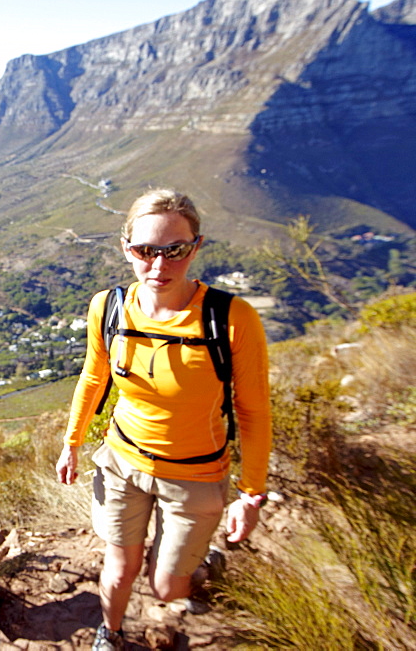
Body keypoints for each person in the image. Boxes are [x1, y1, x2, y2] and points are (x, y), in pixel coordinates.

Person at [54, 189, 272, 651]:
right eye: (145, 250)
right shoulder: (109, 308)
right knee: (118, 569)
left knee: (166, 588)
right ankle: (109, 634)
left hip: (195, 475)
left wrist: (251, 494)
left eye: (175, 250)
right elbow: (93, 378)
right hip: (122, 463)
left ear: (196, 246)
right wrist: (72, 442)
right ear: (125, 247)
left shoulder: (231, 320)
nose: (158, 265)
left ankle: (202, 567)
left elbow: (253, 411)